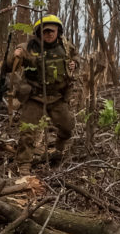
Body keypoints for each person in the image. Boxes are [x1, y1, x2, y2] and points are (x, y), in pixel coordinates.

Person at [9, 15, 79, 172]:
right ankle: (24, 165)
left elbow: (76, 57)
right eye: (45, 31)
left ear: (58, 31)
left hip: (57, 96)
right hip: (35, 96)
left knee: (68, 126)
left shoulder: (66, 47)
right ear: (39, 32)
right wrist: (16, 56)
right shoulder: (28, 47)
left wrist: (75, 63)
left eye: (52, 31)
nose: (49, 34)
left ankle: (58, 150)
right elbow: (9, 66)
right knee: (27, 132)